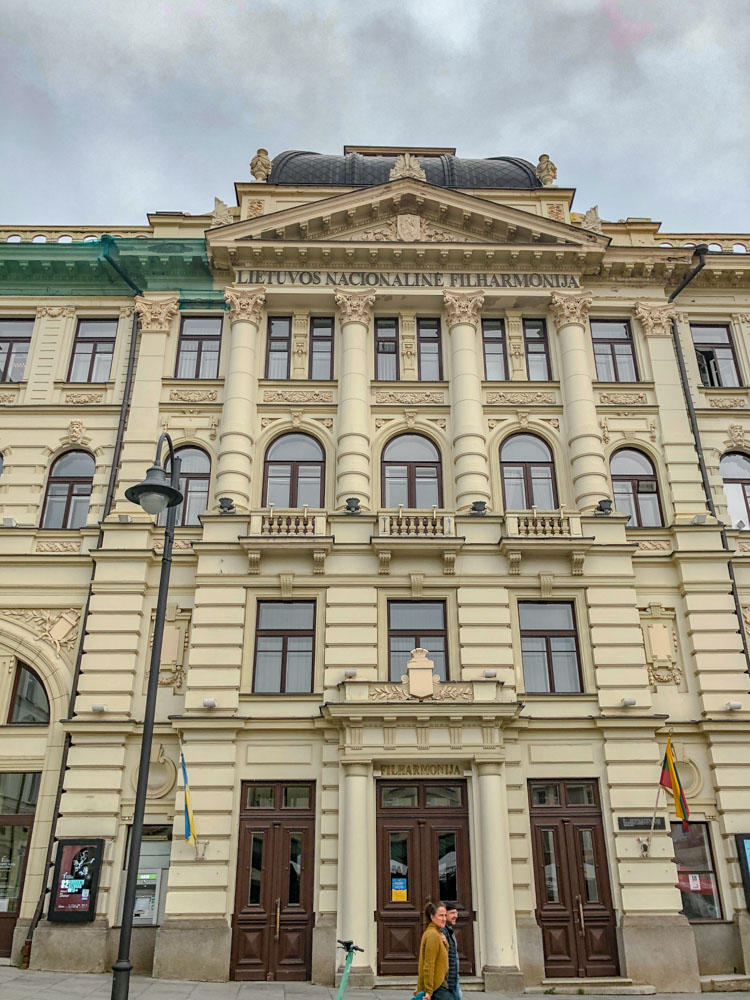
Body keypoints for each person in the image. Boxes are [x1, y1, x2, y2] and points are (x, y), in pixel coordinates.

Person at [416, 900, 453, 1000]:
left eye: (445, 915)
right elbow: (428, 964)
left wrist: (446, 944)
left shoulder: (437, 934)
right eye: (441, 915)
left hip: (438, 985)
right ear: (432, 917)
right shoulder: (433, 935)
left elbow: (441, 958)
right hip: (437, 988)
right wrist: (428, 991)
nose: (444, 919)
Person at [441, 901, 462, 1000]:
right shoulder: (443, 932)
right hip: (448, 982)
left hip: (453, 979)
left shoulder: (448, 930)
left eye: (456, 913)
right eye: (452, 913)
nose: (455, 916)